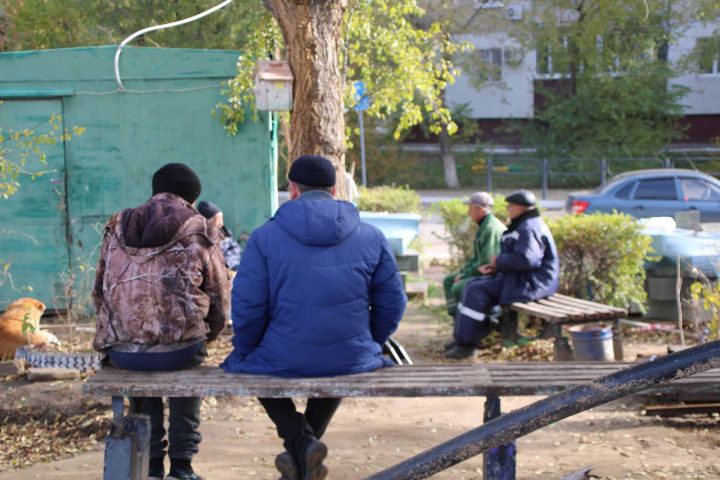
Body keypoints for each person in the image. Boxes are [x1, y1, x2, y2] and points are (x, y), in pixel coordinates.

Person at [221, 154, 407, 480]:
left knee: (246, 365)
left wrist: (247, 349)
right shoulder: (372, 236)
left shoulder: (264, 237)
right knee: (337, 363)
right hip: (351, 355)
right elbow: (393, 303)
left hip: (283, 354)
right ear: (334, 190)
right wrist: (369, 341)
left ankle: (300, 440)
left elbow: (248, 307)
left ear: (292, 190)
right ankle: (304, 450)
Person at [92, 163, 231, 480]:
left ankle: (153, 464)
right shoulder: (199, 229)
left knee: (142, 368)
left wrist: (121, 333)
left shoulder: (117, 225)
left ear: (154, 191)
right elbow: (221, 301)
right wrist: (204, 336)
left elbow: (98, 292)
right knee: (185, 367)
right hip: (180, 352)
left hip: (123, 353)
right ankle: (181, 466)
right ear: (192, 199)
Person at [445, 189, 559, 360]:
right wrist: (497, 267)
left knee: (475, 291)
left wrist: (498, 262)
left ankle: (468, 344)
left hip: (531, 284)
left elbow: (527, 259)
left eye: (510, 206)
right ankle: (464, 338)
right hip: (523, 280)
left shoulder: (529, 227)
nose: (507, 209)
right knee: (472, 285)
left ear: (519, 207)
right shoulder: (527, 224)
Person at [442, 192, 505, 317]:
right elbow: (476, 258)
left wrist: (464, 276)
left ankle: (467, 320)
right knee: (448, 281)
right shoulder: (484, 225)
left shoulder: (490, 228)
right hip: (482, 272)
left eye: (470, 209)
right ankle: (456, 318)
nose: (468, 213)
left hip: (492, 275)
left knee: (458, 287)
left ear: (479, 209)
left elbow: (486, 262)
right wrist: (463, 273)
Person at [197, 200, 242, 271]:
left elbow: (235, 248)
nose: (222, 223)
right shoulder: (199, 238)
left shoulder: (225, 233)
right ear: (208, 221)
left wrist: (228, 263)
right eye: (218, 220)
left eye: (222, 219)